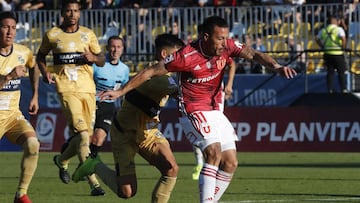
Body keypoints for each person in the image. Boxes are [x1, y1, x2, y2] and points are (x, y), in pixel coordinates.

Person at [76, 16, 296, 202]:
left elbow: (253, 54)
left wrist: (276, 66)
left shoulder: (227, 46)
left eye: (225, 37)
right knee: (130, 191)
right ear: (206, 37)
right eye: (220, 38)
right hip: (155, 123)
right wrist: (121, 92)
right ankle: (95, 165)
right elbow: (151, 72)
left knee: (226, 163)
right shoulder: (185, 58)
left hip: (163, 127)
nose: (224, 42)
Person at [72, 33, 185, 202]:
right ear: (164, 55)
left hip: (148, 134)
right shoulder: (160, 79)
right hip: (125, 134)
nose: (182, 60)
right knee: (126, 192)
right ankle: (94, 164)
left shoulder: (158, 75)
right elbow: (185, 94)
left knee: (171, 169)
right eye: (178, 55)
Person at [35, 0, 106, 196]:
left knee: (84, 137)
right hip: (66, 89)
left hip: (88, 90)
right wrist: (45, 72)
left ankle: (62, 160)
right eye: (68, 10)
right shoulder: (52, 35)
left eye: (75, 10)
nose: (72, 14)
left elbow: (101, 59)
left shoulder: (88, 34)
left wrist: (93, 58)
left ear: (79, 13)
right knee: (83, 135)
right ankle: (94, 184)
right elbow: (40, 56)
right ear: (63, 12)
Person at [0, 11, 40, 203]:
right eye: (5, 27)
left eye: (13, 28)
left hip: (13, 116)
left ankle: (21, 194)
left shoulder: (23, 52)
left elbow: (34, 66)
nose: (10, 32)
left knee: (33, 144)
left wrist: (35, 95)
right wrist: (8, 77)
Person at [89, 35, 130, 159]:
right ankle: (65, 157)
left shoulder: (124, 69)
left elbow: (124, 90)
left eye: (118, 47)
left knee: (99, 138)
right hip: (91, 104)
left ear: (122, 49)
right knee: (84, 139)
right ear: (107, 48)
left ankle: (88, 165)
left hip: (108, 106)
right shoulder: (97, 65)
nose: (115, 50)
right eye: (112, 47)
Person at [315, 13, 347, 93]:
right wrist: (343, 47)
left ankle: (329, 89)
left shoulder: (324, 29)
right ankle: (343, 89)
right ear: (337, 21)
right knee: (341, 72)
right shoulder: (339, 29)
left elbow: (317, 38)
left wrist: (322, 46)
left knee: (330, 72)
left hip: (327, 53)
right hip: (337, 53)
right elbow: (343, 38)